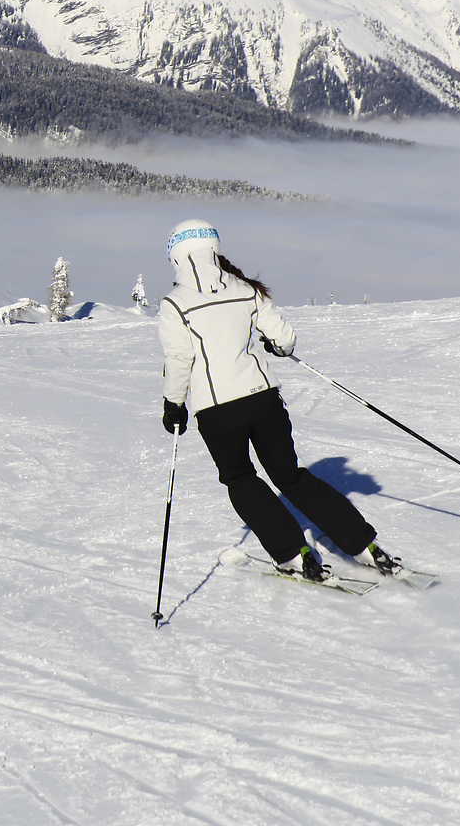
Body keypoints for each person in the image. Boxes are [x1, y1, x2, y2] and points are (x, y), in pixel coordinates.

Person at [157, 219, 399, 582]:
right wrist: (275, 346)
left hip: (218, 409)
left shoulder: (175, 304)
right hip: (264, 400)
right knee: (291, 476)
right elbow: (284, 339)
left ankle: (292, 553)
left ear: (176, 254)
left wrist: (173, 405)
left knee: (240, 478)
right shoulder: (245, 288)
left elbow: (179, 359)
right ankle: (364, 545)